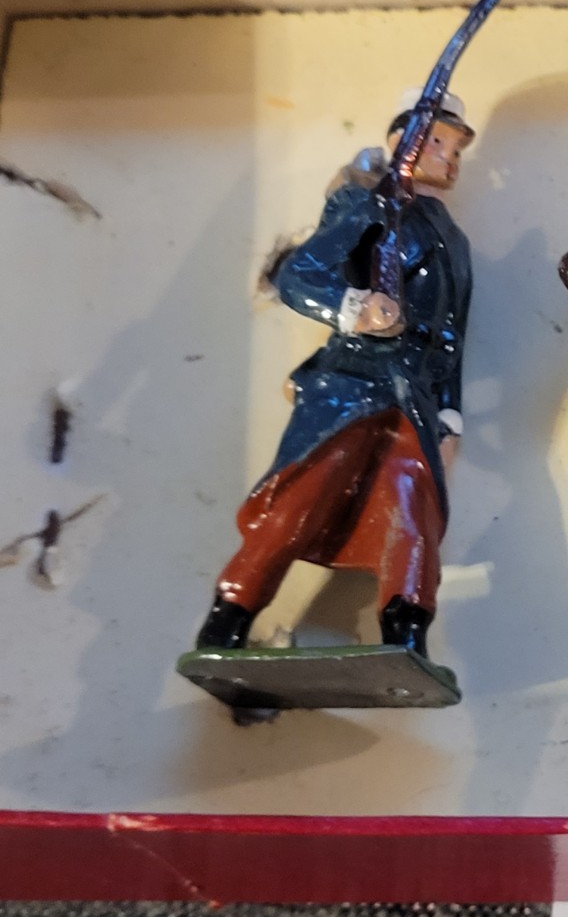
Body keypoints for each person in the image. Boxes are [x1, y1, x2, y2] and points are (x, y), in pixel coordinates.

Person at [193, 90, 474, 664]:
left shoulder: (455, 240)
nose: (451, 155)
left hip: (413, 399)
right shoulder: (367, 206)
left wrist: (449, 416)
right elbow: (299, 275)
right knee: (302, 499)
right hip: (351, 382)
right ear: (403, 143)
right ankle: (229, 619)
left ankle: (405, 636)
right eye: (438, 141)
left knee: (411, 513)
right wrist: (355, 308)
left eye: (457, 147)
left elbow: (451, 337)